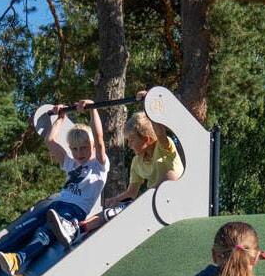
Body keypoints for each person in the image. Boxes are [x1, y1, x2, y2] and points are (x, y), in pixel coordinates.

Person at [0, 100, 110, 276]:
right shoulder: (70, 163)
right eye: (75, 149)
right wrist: (60, 118)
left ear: (92, 147)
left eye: (84, 148)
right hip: (57, 204)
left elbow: (99, 139)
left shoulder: (99, 165)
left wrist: (92, 109)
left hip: (74, 211)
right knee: (23, 228)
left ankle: (18, 259)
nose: (79, 153)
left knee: (45, 232)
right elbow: (50, 141)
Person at [78, 98, 185, 232]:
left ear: (146, 139)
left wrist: (149, 103)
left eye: (131, 140)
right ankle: (81, 227)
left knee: (170, 176)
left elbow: (160, 132)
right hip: (153, 202)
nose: (129, 145)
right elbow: (132, 192)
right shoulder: (136, 162)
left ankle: (121, 211)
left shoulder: (163, 147)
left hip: (176, 195)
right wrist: (115, 199)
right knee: (116, 207)